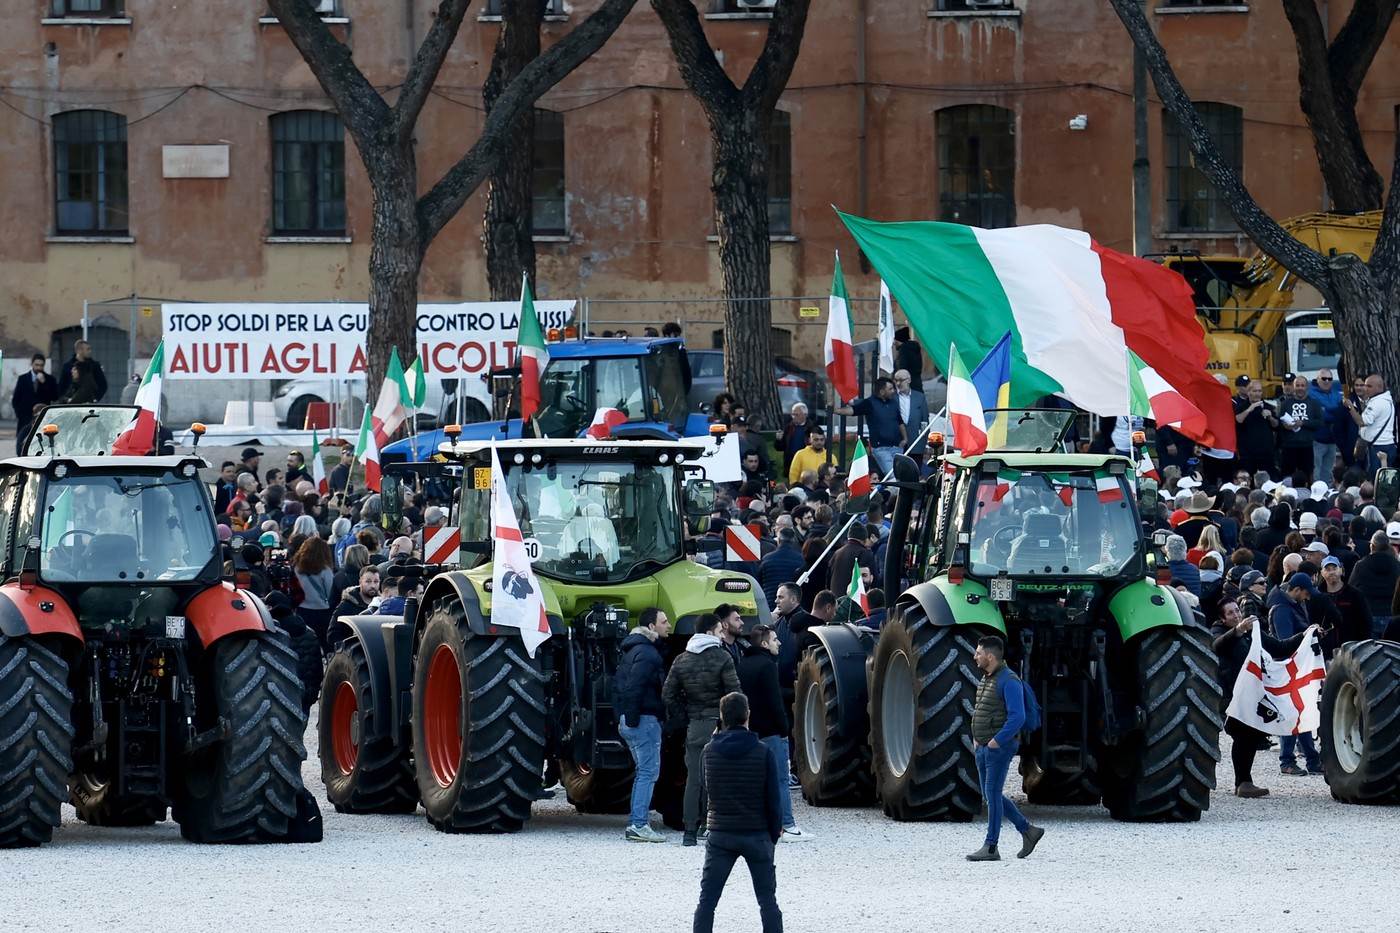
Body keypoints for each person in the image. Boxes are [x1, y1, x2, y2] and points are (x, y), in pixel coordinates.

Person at [692, 692, 784, 933]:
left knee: (707, 902)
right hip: (756, 833)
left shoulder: (708, 752)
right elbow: (774, 800)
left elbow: (705, 788)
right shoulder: (764, 752)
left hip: (721, 834)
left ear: (722, 718)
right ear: (748, 715)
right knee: (767, 902)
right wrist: (773, 835)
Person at [1211, 599, 1308, 798]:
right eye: (1230, 613)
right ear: (1222, 618)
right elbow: (1217, 646)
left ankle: (1244, 782)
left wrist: (1305, 636)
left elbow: (1280, 647)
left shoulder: (1251, 633)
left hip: (1253, 693)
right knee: (1243, 733)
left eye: (1237, 610)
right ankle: (1243, 782)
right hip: (1231, 695)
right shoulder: (1221, 633)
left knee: (1252, 734)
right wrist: (1237, 630)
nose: (1236, 615)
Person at [663, 613, 741, 846]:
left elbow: (668, 694)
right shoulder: (723, 657)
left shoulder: (682, 659)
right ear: (709, 632)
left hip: (694, 725)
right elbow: (734, 693)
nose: (722, 635)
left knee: (693, 779)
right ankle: (709, 826)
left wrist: (684, 716)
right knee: (715, 779)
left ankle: (689, 830)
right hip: (718, 724)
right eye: (719, 631)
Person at [966, 635, 1044, 862]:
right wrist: (976, 738)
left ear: (990, 656)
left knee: (992, 794)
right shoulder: (988, 678)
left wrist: (996, 741)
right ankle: (1028, 830)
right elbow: (983, 709)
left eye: (978, 653)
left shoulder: (1009, 681)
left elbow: (1017, 716)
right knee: (991, 796)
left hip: (997, 748)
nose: (975, 656)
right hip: (983, 746)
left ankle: (991, 847)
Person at [737, 625, 808, 842]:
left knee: (753, 780)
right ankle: (786, 825)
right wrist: (784, 729)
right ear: (765, 644)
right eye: (775, 639)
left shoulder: (742, 664)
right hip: (771, 731)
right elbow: (774, 700)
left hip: (750, 731)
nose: (779, 643)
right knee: (780, 779)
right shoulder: (768, 666)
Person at [615, 607, 671, 842]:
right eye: (664, 621)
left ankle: (638, 822)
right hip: (644, 720)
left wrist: (624, 718)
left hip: (633, 720)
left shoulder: (631, 650)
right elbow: (634, 687)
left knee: (643, 772)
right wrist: (634, 719)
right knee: (648, 772)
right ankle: (638, 824)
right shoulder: (648, 654)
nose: (668, 625)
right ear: (651, 626)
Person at [1269, 572, 1324, 776]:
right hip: (1288, 668)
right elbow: (1285, 642)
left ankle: (1311, 760)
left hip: (1296, 667)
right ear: (1297, 590)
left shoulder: (1290, 605)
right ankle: (1287, 761)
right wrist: (1307, 634)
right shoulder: (1282, 609)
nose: (1307, 598)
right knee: (1292, 715)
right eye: (1306, 593)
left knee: (1302, 713)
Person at [263, 591, 322, 714]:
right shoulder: (308, 632)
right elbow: (317, 667)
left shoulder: (271, 633)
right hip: (306, 693)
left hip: (280, 693)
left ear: (269, 607)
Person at [836, 377, 905, 477]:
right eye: (890, 389)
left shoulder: (893, 403)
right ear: (881, 391)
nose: (893, 391)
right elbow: (853, 411)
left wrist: (905, 439)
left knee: (900, 475)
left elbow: (900, 422)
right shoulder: (870, 403)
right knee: (892, 475)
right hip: (881, 449)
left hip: (897, 448)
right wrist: (835, 410)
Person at [1349, 529, 1400, 637]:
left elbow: (1351, 588)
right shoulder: (1396, 565)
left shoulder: (1361, 565)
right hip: (1391, 615)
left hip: (1368, 614)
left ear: (1372, 546)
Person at [1345, 372, 1396, 477]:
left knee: (1377, 479)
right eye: (1365, 385)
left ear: (1379, 387)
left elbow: (1361, 422)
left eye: (1369, 386)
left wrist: (1350, 407)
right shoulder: (1383, 400)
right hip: (1383, 445)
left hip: (1379, 447)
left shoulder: (1378, 403)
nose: (1365, 389)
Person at [1277, 375, 1322, 482]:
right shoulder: (1285, 404)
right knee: (1287, 477)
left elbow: (1319, 422)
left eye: (1302, 385)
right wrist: (1284, 425)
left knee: (1307, 476)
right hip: (1288, 447)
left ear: (1307, 387)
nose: (1300, 388)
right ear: (1293, 387)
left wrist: (1303, 423)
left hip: (1307, 446)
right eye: (1297, 385)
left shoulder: (1314, 403)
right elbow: (1279, 422)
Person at [293, 537, 336, 649]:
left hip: (302, 610)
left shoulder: (297, 568)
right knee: (326, 644)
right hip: (323, 611)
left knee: (306, 645)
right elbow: (330, 593)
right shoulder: (325, 570)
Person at [11, 353, 58, 454]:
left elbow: (55, 397)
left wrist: (44, 383)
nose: (39, 368)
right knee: (21, 445)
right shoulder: (23, 379)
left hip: (42, 418)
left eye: (41, 365)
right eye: (37, 365)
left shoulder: (50, 380)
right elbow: (16, 400)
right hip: (25, 419)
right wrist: (20, 415)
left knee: (41, 446)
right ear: (32, 364)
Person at [1234, 381, 1279, 476]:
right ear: (1248, 392)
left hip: (1266, 452)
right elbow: (1238, 420)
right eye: (1255, 391)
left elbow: (1276, 425)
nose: (1257, 394)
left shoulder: (1268, 406)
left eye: (1259, 391)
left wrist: (1270, 417)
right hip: (1247, 453)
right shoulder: (1241, 407)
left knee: (1269, 479)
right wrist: (1250, 409)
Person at [1309, 368, 1343, 484]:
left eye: (1330, 379)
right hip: (1317, 440)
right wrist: (1334, 411)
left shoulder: (1336, 393)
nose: (1327, 381)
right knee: (1316, 472)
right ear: (1317, 379)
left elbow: (1340, 413)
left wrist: (1327, 410)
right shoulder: (1311, 393)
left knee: (1328, 472)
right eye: (1324, 379)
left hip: (1332, 440)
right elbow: (1321, 415)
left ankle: (1327, 496)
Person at [759, 527, 805, 608]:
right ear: (793, 541)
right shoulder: (800, 559)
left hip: (769, 602)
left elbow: (759, 580)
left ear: (779, 540)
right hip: (791, 604)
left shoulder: (767, 559)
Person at [893, 369, 930, 458]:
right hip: (897, 443)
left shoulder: (919, 397)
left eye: (901, 380)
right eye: (896, 380)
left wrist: (923, 441)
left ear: (909, 380)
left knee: (915, 469)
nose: (898, 383)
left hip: (916, 443)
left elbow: (924, 420)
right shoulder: (892, 397)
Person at [780, 403, 813, 477]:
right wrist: (779, 440)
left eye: (796, 415)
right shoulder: (788, 427)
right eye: (792, 414)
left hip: (807, 463)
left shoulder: (812, 428)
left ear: (805, 415)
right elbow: (780, 447)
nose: (793, 417)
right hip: (791, 462)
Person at [716, 603, 745, 670]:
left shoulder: (741, 646)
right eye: (737, 619)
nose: (742, 623)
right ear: (725, 625)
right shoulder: (717, 650)